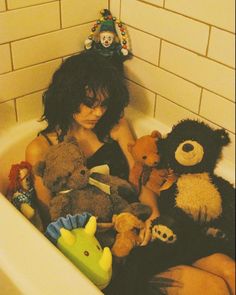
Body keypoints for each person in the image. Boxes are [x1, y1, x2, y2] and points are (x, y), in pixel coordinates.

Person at [26, 50, 235, 295]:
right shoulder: (41, 149)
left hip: (144, 222)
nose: (98, 112)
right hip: (108, 247)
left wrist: (152, 219)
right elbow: (50, 220)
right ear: (67, 98)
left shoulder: (115, 127)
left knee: (230, 271)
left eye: (103, 104)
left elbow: (141, 182)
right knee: (213, 287)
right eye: (90, 104)